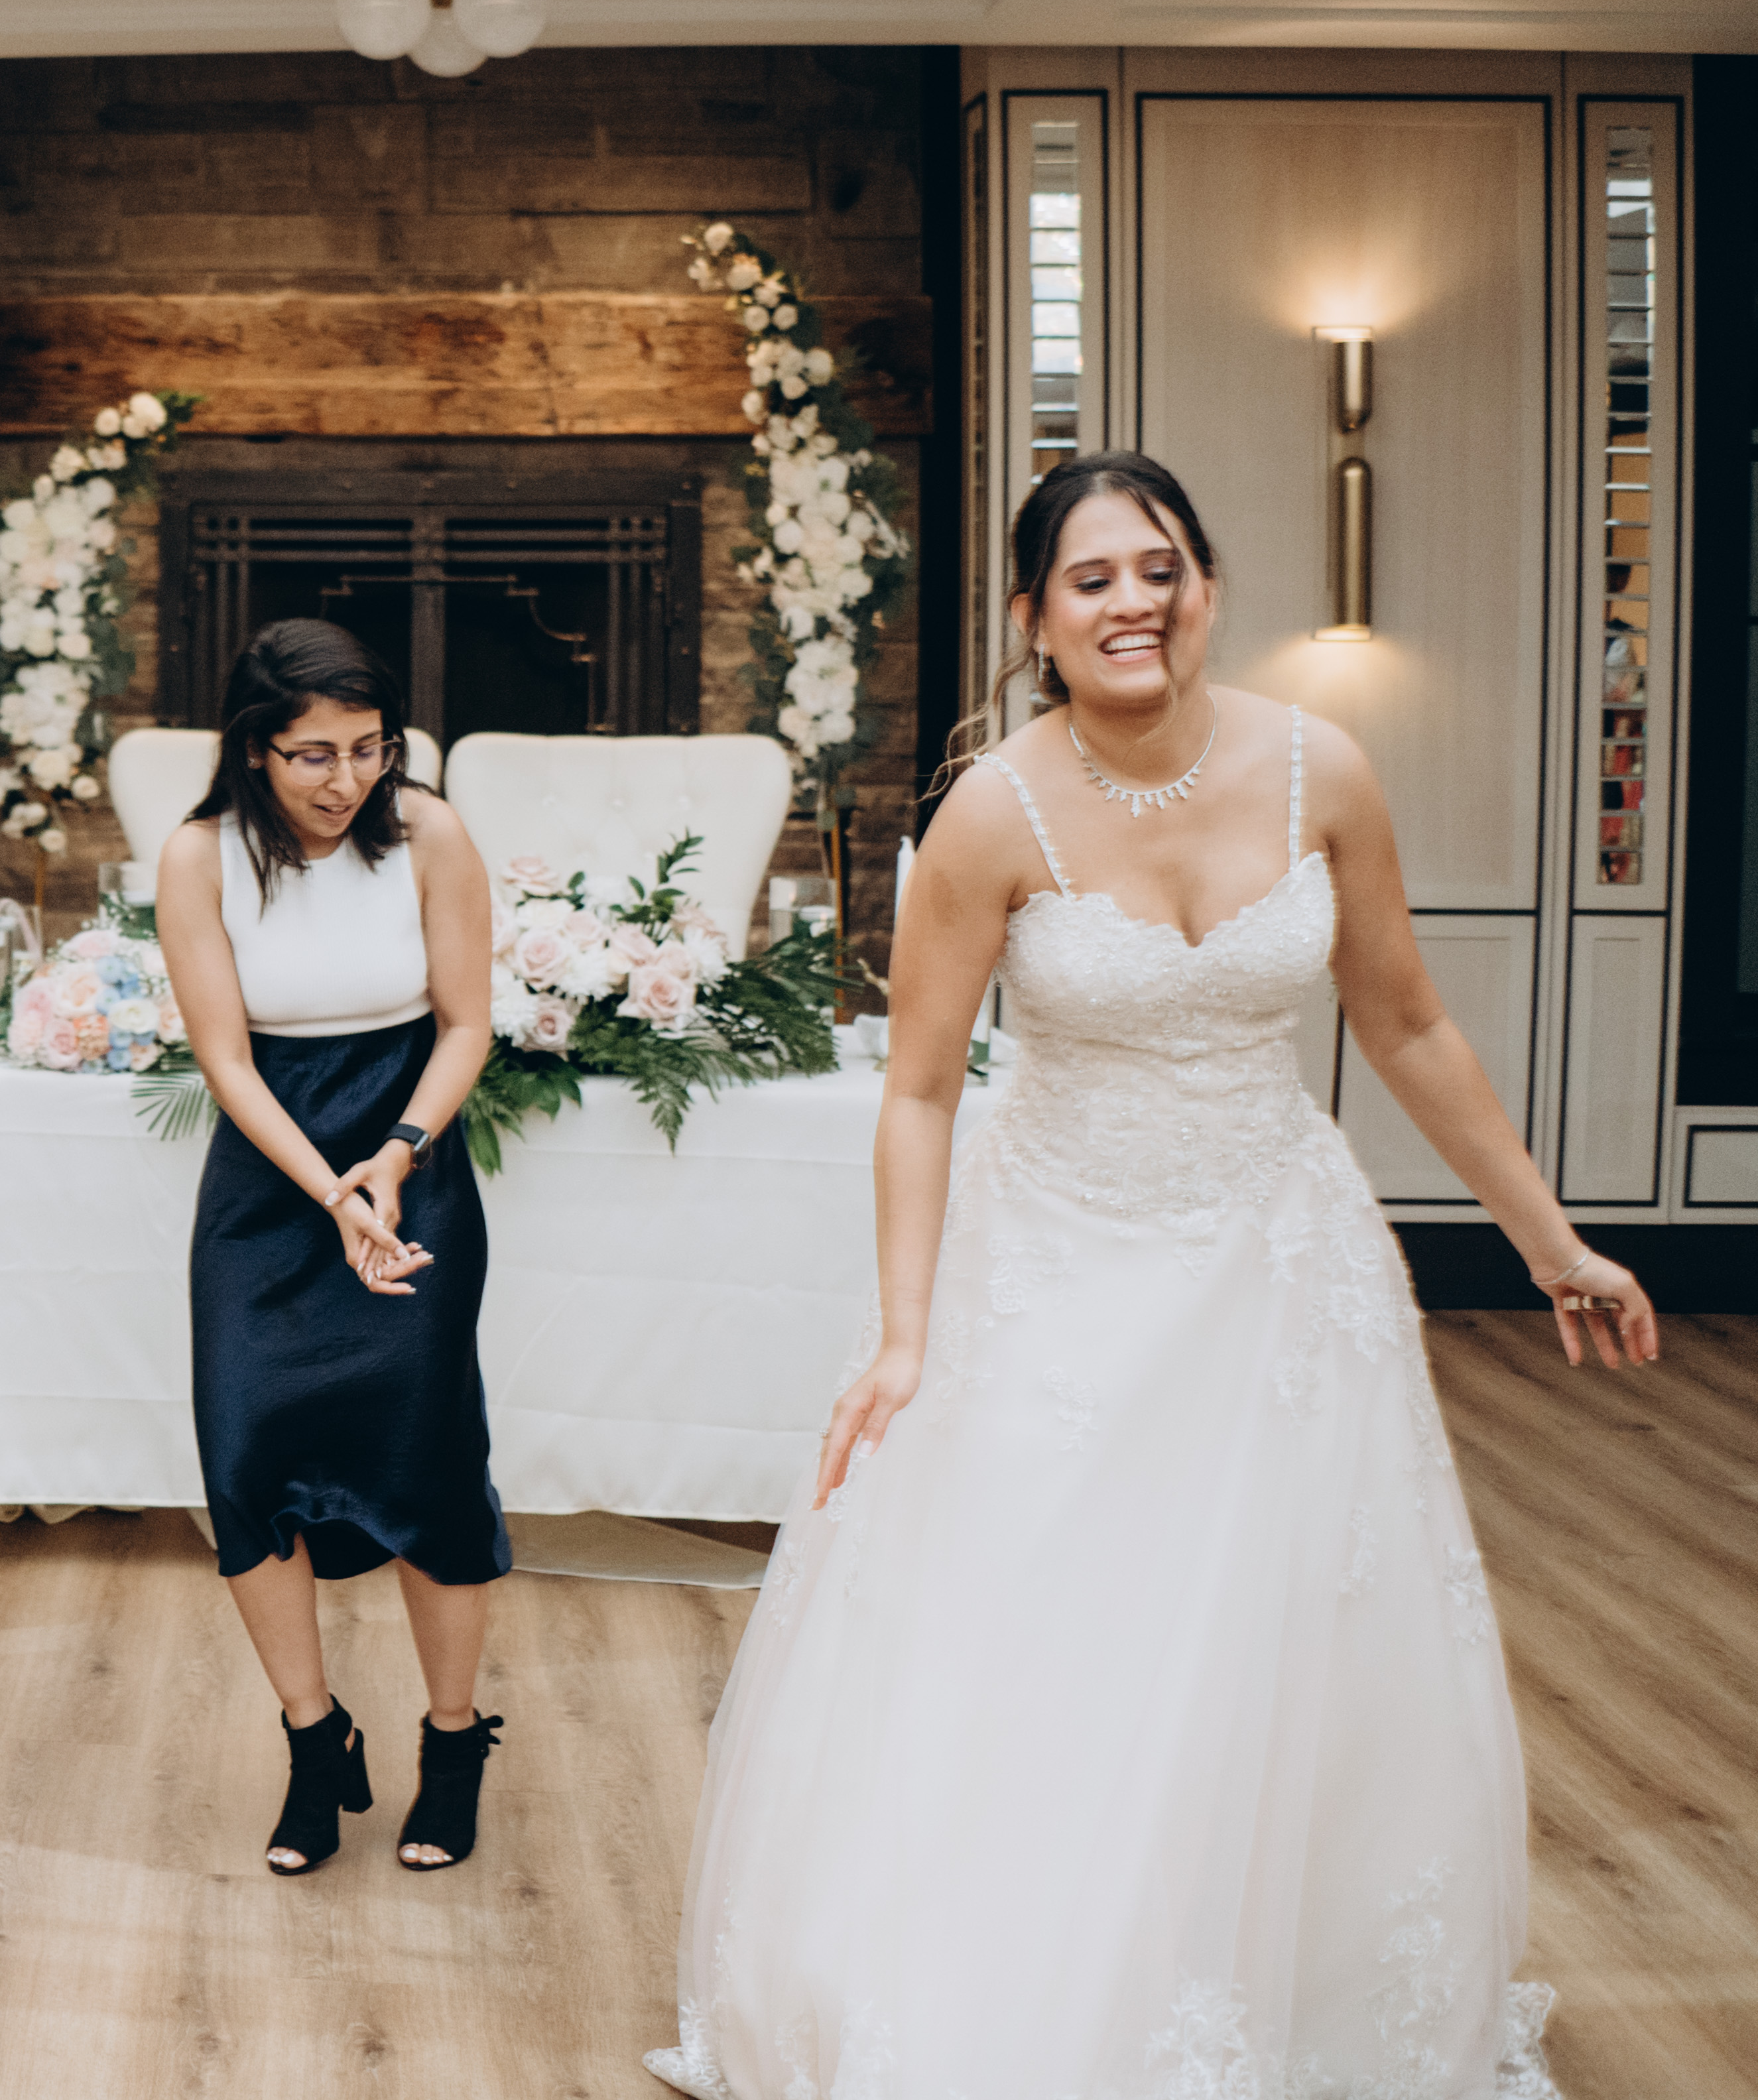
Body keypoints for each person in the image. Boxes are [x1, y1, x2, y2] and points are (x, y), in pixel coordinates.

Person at [647, 448, 1653, 2100]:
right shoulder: (993, 810)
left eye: (1161, 567)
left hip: (1279, 1274)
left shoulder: (1319, 769)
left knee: (1273, 1644)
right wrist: (904, 1334)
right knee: (1057, 1639)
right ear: (1036, 620)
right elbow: (918, 1088)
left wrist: (1551, 1239)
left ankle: (1263, 1989)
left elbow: (1405, 1022)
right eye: (1093, 578)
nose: (1135, 602)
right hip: (1052, 1273)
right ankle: (1033, 1996)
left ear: (1207, 587)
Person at [154, 619, 511, 1879]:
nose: (347, 778)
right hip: (270, 1182)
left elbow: (467, 1024)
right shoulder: (198, 855)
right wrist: (329, 1192)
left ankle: (454, 1743)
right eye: (314, 753)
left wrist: (396, 1159)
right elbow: (225, 1060)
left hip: (410, 1158)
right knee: (247, 1456)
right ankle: (317, 1740)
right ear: (254, 747)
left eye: (369, 747)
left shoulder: (431, 833)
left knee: (428, 1459)